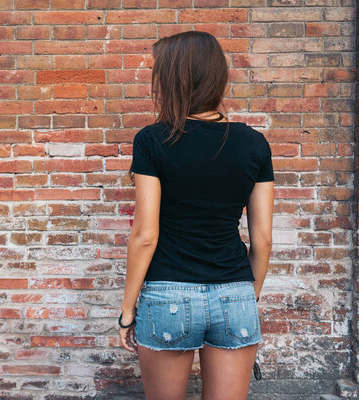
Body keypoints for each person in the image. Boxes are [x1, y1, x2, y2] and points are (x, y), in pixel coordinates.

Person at [117, 31, 274, 400]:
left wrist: (127, 311)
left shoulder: (153, 140)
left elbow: (145, 235)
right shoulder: (254, 143)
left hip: (168, 293)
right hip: (235, 291)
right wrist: (246, 297)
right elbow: (263, 238)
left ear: (174, 78)